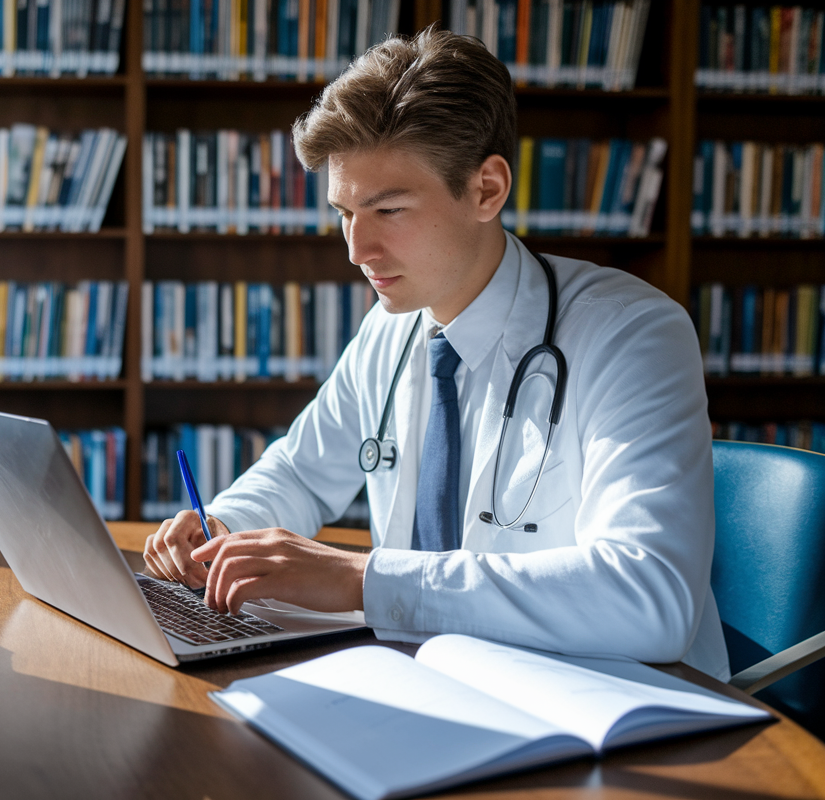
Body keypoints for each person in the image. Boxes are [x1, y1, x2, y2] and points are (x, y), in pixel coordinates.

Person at [141, 28, 729, 680]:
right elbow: (304, 472)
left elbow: (651, 597)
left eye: (387, 209)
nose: (356, 251)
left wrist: (366, 581)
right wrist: (223, 524)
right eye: (344, 213)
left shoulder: (632, 334)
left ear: (487, 189)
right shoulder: (392, 328)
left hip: (613, 708)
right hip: (441, 679)